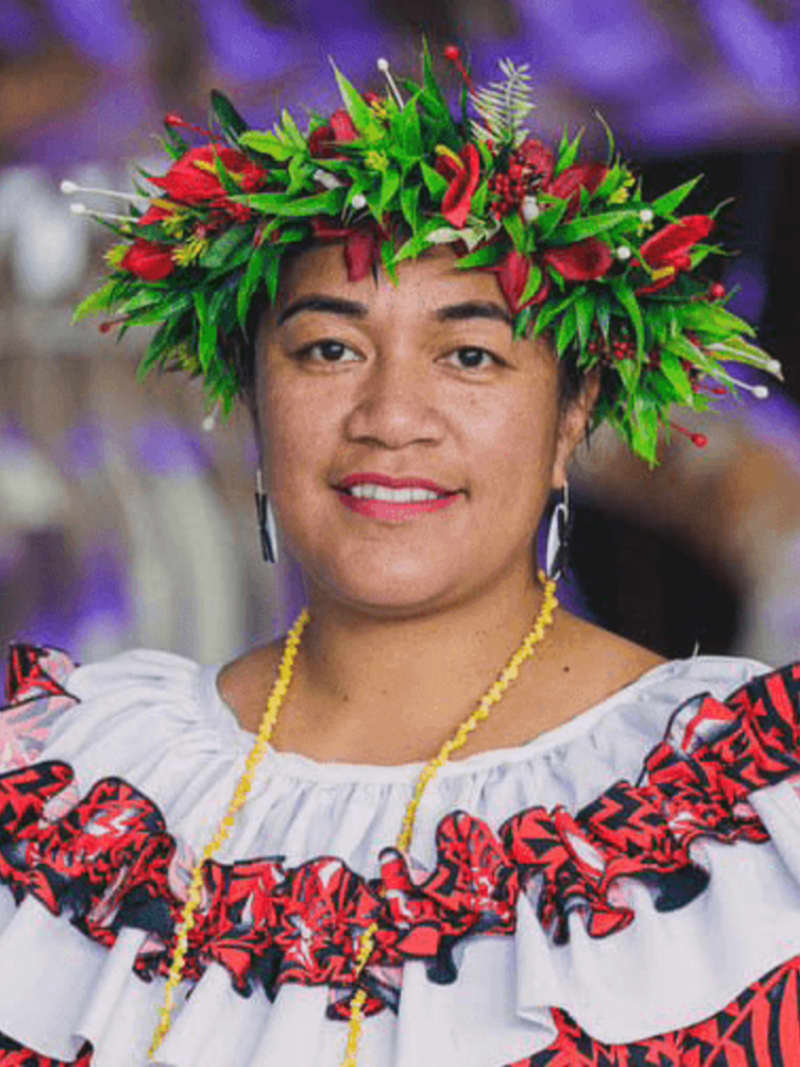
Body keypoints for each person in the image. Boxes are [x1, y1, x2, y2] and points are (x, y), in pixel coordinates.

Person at [1, 42, 796, 1067]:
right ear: (255, 395)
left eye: (469, 354)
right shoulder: (63, 785)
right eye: (328, 348)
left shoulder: (756, 816)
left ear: (570, 416)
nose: (388, 416)